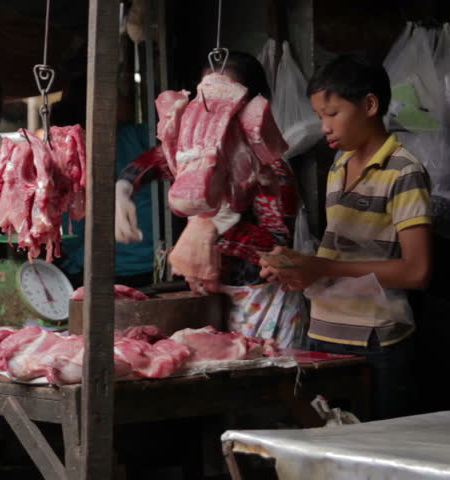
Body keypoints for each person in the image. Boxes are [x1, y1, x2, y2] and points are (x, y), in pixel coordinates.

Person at [260, 55, 433, 420]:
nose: (324, 127)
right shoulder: (338, 164)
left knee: (377, 459)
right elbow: (338, 252)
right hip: (324, 332)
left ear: (370, 105)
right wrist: (294, 266)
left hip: (376, 342)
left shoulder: (404, 172)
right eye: (320, 116)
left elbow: (417, 271)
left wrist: (321, 267)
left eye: (332, 113)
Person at [115, 52, 307, 348]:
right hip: (214, 305)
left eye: (226, 99)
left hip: (263, 305)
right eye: (206, 96)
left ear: (252, 105)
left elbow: (277, 245)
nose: (215, 110)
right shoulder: (200, 156)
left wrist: (216, 229)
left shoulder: (272, 169)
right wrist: (125, 186)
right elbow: (154, 161)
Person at [55, 72, 155, 288]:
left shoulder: (65, 148)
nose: (127, 100)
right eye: (120, 95)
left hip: (91, 266)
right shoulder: (139, 136)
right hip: (144, 266)